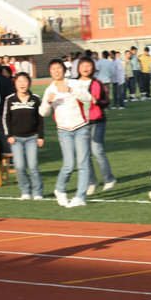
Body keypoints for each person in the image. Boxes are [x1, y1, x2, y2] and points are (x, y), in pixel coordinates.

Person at [39, 59, 92, 208]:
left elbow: (88, 98)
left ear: (64, 70)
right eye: (53, 69)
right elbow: (43, 113)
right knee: (69, 165)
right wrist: (47, 102)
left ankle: (80, 197)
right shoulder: (49, 90)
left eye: (58, 68)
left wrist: (71, 91)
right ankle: (60, 190)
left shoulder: (74, 83)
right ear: (50, 72)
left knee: (83, 163)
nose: (56, 71)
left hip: (80, 126)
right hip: (63, 130)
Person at [2, 72, 45, 200]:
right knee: (19, 166)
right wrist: (9, 135)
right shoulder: (10, 99)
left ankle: (37, 192)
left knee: (33, 166)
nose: (22, 84)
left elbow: (40, 119)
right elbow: (5, 118)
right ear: (15, 83)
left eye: (25, 81)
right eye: (19, 81)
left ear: (29, 83)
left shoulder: (35, 99)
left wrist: (41, 136)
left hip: (32, 137)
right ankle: (25, 191)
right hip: (16, 138)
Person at [79, 56, 116, 195]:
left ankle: (108, 179)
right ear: (78, 68)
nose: (85, 68)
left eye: (88, 65)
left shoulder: (98, 83)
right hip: (80, 122)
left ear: (93, 68)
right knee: (84, 154)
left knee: (97, 150)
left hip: (97, 121)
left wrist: (97, 102)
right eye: (83, 65)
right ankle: (92, 182)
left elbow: (106, 102)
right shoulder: (74, 84)